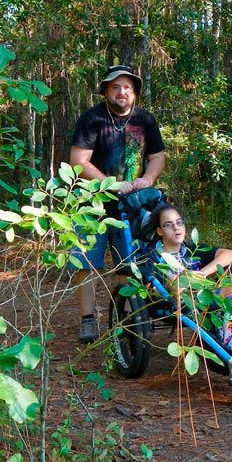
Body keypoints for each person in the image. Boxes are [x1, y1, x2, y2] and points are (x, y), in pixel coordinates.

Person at [69, 65, 166, 343]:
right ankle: (88, 319)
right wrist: (108, 184)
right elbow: (79, 161)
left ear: (134, 92)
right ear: (106, 91)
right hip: (91, 203)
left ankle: (127, 318)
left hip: (133, 204)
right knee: (86, 262)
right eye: (115, 87)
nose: (122, 92)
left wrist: (147, 179)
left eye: (127, 87)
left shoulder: (145, 120)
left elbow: (157, 156)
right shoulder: (92, 119)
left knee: (130, 261)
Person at [150, 204, 232, 351]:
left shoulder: (193, 251)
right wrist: (181, 281)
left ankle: (231, 336)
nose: (176, 228)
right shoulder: (152, 257)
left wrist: (204, 273)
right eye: (168, 225)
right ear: (159, 230)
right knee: (175, 282)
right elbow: (153, 287)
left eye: (179, 222)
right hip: (174, 302)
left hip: (204, 297)